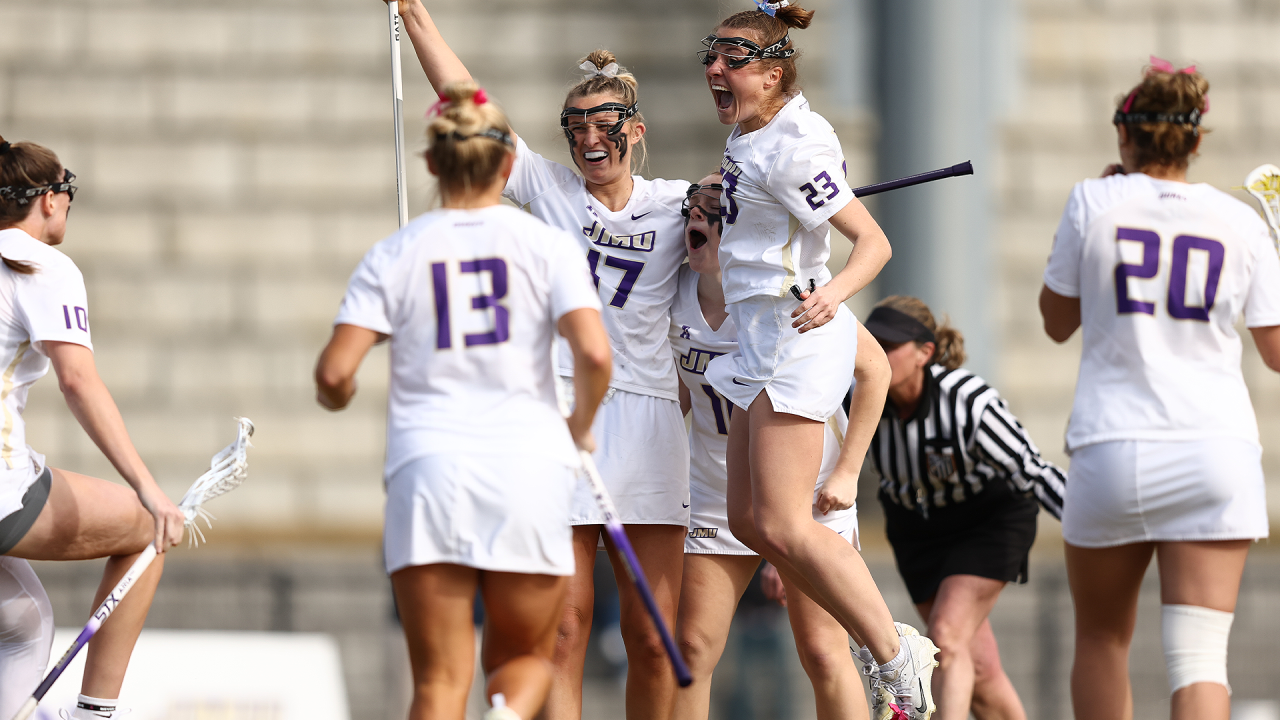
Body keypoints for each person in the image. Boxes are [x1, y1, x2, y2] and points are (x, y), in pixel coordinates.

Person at [387, 2, 692, 716]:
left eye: (603, 126)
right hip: (563, 417)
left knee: (653, 638)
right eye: (575, 126)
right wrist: (415, 15)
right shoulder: (549, 188)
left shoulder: (678, 204)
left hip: (649, 423)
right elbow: (469, 104)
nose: (589, 139)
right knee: (564, 627)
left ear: (634, 132)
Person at [314, 82, 612, 720]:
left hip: (429, 471)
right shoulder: (548, 245)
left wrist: (341, 397)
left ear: (431, 162)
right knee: (524, 662)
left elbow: (334, 375)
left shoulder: (394, 252)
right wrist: (580, 424)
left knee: (439, 685)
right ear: (508, 166)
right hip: (529, 469)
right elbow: (593, 356)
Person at [697, 3, 937, 719]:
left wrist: (832, 295)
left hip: (795, 337)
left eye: (734, 61)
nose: (716, 70)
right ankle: (879, 637)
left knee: (786, 522)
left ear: (773, 75)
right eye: (712, 56)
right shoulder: (752, 132)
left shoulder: (795, 146)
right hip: (756, 340)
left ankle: (895, 652)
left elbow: (873, 243)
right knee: (750, 520)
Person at [1039, 59, 1280, 720]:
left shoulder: (1092, 200)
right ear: (1197, 141)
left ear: (1125, 135)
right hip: (1215, 450)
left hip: (1113, 444)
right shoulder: (1245, 221)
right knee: (1200, 659)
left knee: (1101, 641)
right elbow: (1277, 353)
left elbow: (1056, 323)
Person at [669, 176, 888, 720]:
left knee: (822, 651)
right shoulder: (672, 298)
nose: (697, 219)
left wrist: (849, 472)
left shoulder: (785, 298)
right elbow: (677, 396)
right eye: (691, 210)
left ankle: (898, 657)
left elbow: (875, 369)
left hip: (805, 495)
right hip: (718, 494)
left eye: (714, 211)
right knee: (692, 648)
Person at [0, 137, 186, 720]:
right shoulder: (40, 264)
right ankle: (94, 714)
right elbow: (78, 381)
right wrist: (149, 489)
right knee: (141, 531)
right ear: (49, 200)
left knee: (24, 625)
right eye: (68, 191)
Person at [863, 295, 1066, 720]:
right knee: (980, 670)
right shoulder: (858, 398)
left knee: (945, 639)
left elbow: (1031, 469)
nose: (875, 353)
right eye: (870, 341)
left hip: (986, 521)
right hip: (916, 529)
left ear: (925, 353)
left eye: (889, 345)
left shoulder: (967, 401)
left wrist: (1095, 526)